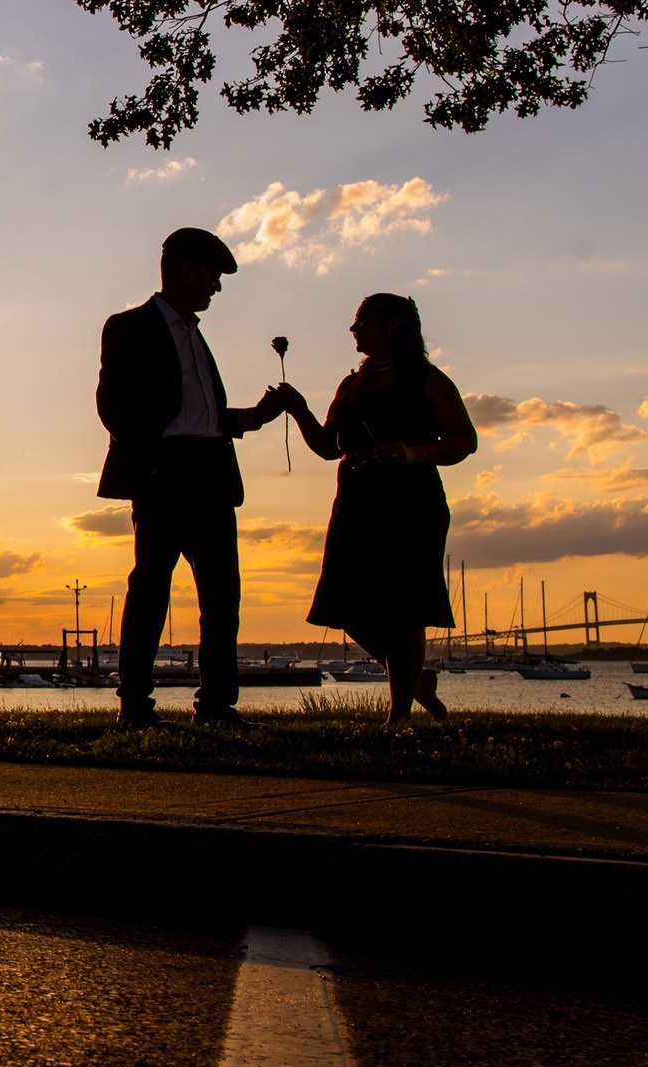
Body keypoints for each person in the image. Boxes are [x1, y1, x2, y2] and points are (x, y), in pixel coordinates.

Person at [96, 228, 291, 727]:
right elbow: (113, 406)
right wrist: (153, 460)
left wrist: (257, 416)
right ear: (186, 271)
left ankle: (217, 706)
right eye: (212, 275)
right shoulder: (128, 327)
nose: (217, 287)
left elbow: (205, 417)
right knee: (150, 591)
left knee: (223, 595)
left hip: (211, 473)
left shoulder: (194, 334)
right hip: (165, 473)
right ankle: (135, 706)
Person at [277, 293, 479, 724]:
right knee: (343, 604)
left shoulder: (427, 379)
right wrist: (298, 410)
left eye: (361, 320)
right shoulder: (350, 385)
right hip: (355, 505)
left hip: (411, 505)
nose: (353, 329)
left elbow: (464, 441)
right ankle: (413, 679)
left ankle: (399, 717)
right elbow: (328, 448)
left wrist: (411, 452)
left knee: (405, 610)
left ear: (392, 324)